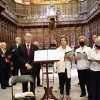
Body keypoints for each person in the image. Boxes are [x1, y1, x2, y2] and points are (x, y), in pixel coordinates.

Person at [18, 33, 38, 99]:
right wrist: (26, 64)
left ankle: (32, 97)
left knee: (32, 84)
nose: (28, 38)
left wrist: (31, 65)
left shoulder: (35, 47)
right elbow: (19, 57)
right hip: (24, 68)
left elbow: (36, 57)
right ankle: (25, 97)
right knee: (24, 84)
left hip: (33, 68)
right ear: (24, 38)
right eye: (27, 37)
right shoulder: (20, 47)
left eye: (29, 37)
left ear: (31, 38)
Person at [54, 35, 73, 100]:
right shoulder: (57, 50)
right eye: (62, 40)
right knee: (61, 82)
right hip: (60, 66)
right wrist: (55, 68)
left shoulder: (69, 48)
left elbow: (71, 59)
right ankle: (61, 94)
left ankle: (68, 94)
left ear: (66, 41)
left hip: (67, 67)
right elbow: (55, 60)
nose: (63, 41)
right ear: (60, 42)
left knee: (68, 81)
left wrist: (68, 58)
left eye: (64, 40)